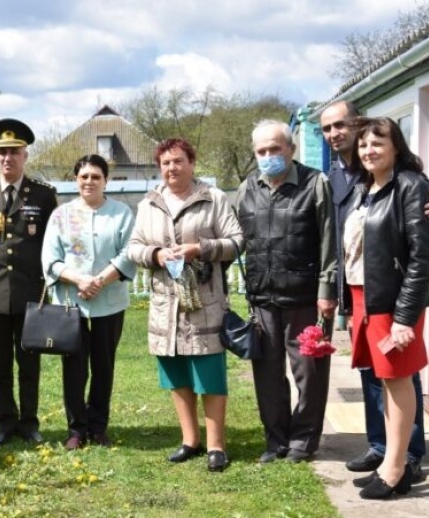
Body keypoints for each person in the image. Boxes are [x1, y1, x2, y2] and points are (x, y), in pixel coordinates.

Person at [320, 102, 425, 482]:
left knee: (398, 377)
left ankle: (400, 465)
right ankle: (387, 457)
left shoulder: (410, 186)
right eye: (364, 145)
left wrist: (405, 316)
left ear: (396, 145)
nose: (368, 150)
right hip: (365, 297)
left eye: (377, 143)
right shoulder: (367, 188)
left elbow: (420, 258)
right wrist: (346, 302)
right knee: (382, 377)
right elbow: (352, 250)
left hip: (392, 300)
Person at [127, 138, 242, 472]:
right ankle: (190, 440)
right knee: (176, 375)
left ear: (192, 162)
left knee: (209, 375)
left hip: (204, 302)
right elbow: (134, 247)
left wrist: (199, 248)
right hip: (166, 306)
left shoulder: (213, 198)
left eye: (178, 161)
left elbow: (236, 242)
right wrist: (155, 255)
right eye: (165, 163)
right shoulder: (148, 203)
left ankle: (216, 446)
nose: (171, 168)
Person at [236, 119, 337, 464]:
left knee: (309, 373)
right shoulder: (247, 188)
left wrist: (327, 290)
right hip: (262, 298)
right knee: (267, 375)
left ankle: (303, 440)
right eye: (261, 151)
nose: (268, 156)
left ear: (290, 150)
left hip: (306, 298)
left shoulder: (315, 183)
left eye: (275, 149)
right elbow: (238, 238)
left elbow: (329, 240)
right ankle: (275, 440)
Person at [0, 118, 58, 447]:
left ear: (25, 155)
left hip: (31, 294)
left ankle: (29, 422)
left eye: (14, 152)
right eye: (2, 152)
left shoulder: (44, 197)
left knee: (29, 363)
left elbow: (52, 243)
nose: (8, 158)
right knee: (0, 366)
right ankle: (5, 423)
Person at [41, 154, 136, 450]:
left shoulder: (121, 213)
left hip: (109, 302)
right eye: (84, 176)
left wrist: (99, 280)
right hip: (72, 304)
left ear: (106, 180)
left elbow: (129, 253)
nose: (89, 182)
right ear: (75, 180)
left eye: (96, 176)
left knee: (104, 366)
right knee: (75, 367)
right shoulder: (61, 215)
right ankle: (76, 429)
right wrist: (79, 279)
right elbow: (50, 259)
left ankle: (98, 427)